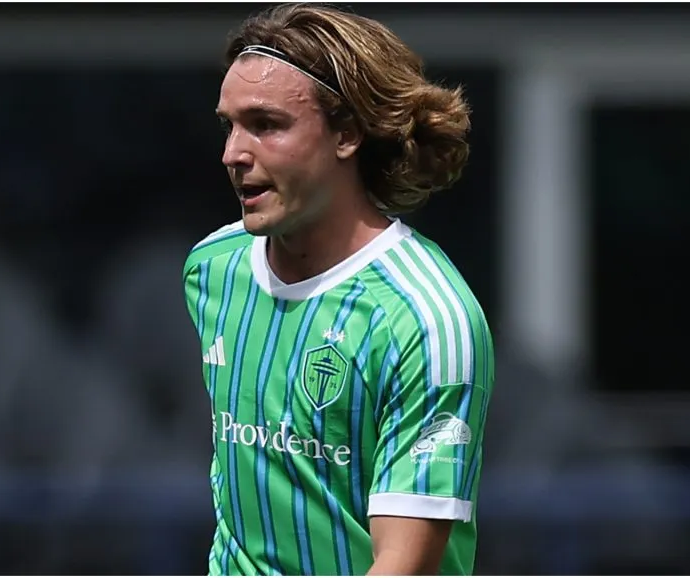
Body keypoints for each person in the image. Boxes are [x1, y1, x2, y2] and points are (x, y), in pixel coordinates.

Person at [182, 4, 494, 575]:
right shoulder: (213, 269)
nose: (233, 153)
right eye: (229, 125)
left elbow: (404, 568)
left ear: (346, 134)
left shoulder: (425, 318)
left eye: (266, 125)